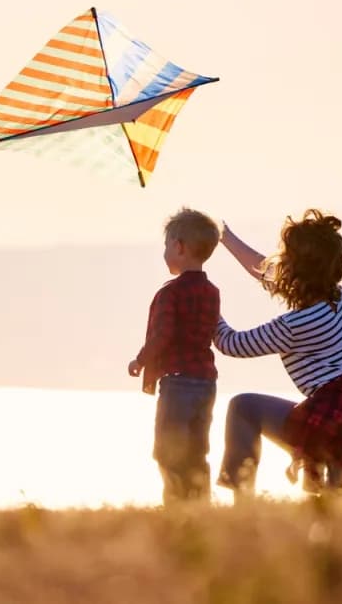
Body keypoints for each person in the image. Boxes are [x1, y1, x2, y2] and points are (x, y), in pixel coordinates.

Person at [212, 209, 342, 501]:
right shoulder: (340, 297)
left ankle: (243, 501)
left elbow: (232, 344)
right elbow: (267, 273)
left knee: (243, 407)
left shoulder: (293, 326)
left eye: (284, 256)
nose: (278, 261)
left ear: (295, 269)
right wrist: (226, 237)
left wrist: (206, 304)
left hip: (334, 420)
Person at [127, 208, 222, 505]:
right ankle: (200, 503)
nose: (165, 252)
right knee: (197, 450)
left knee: (168, 451)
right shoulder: (212, 292)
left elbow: (162, 335)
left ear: (179, 247)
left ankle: (175, 506)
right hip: (206, 382)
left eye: (167, 245)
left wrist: (140, 359)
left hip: (177, 383)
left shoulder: (170, 293)